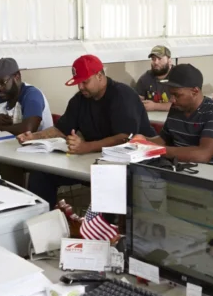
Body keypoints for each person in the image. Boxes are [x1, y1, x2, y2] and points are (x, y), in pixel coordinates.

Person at [19, 54, 152, 207]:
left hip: (132, 163)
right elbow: (61, 129)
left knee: (106, 179)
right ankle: (44, 224)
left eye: (85, 82)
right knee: (41, 175)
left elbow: (124, 138)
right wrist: (34, 136)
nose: (81, 87)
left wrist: (85, 147)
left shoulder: (123, 95)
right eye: (78, 83)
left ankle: (107, 228)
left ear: (100, 76)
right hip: (93, 161)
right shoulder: (80, 99)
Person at [150, 63, 213, 166]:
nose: (172, 99)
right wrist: (141, 141)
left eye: (177, 95)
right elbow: (162, 140)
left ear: (195, 91)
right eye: (171, 94)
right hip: (178, 170)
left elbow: (202, 155)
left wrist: (158, 151)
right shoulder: (176, 108)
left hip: (207, 176)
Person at [0, 57, 53, 134]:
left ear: (17, 77)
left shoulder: (32, 95)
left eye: (3, 83)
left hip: (38, 144)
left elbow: (27, 131)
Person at [136, 45, 173, 112]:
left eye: (159, 59)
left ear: (169, 60)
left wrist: (155, 106)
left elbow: (184, 106)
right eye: (153, 59)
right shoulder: (145, 78)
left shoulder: (179, 76)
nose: (156, 62)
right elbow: (136, 101)